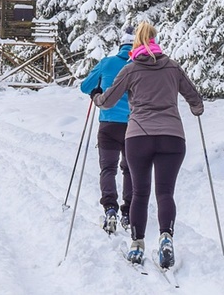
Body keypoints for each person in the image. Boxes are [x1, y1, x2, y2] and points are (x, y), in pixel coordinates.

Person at [91, 21, 203, 270]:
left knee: (140, 193)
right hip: (172, 137)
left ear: (136, 43)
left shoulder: (130, 69)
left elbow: (108, 101)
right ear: (155, 40)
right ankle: (166, 237)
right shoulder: (172, 66)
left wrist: (96, 97)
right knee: (165, 193)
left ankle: (137, 245)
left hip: (139, 137)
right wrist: (197, 109)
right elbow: (195, 98)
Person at [79, 26, 135, 234]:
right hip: (133, 125)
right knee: (130, 169)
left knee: (108, 169)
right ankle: (128, 212)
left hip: (108, 124)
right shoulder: (139, 65)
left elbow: (85, 86)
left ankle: (110, 208)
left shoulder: (107, 63)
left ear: (121, 46)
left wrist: (97, 90)